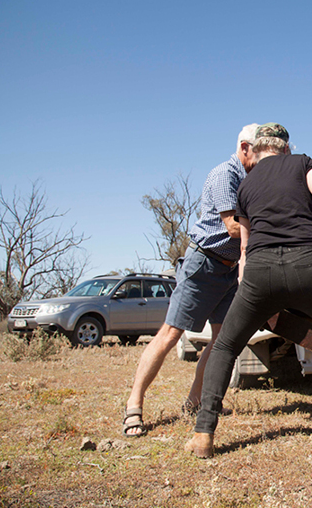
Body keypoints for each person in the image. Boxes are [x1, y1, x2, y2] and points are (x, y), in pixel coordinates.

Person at [184, 123, 312, 458]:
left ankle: (203, 435)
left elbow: (245, 244)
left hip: (260, 273)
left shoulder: (246, 184)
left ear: (257, 150)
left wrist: (247, 284)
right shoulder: (302, 163)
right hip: (309, 265)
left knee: (224, 348)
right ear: (285, 147)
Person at [123, 123, 261, 437]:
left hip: (229, 270)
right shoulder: (225, 175)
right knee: (170, 334)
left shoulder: (250, 179)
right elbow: (231, 226)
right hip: (203, 265)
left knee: (223, 341)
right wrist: (272, 225)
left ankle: (195, 400)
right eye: (258, 153)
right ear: (243, 148)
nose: (262, 161)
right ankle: (134, 406)